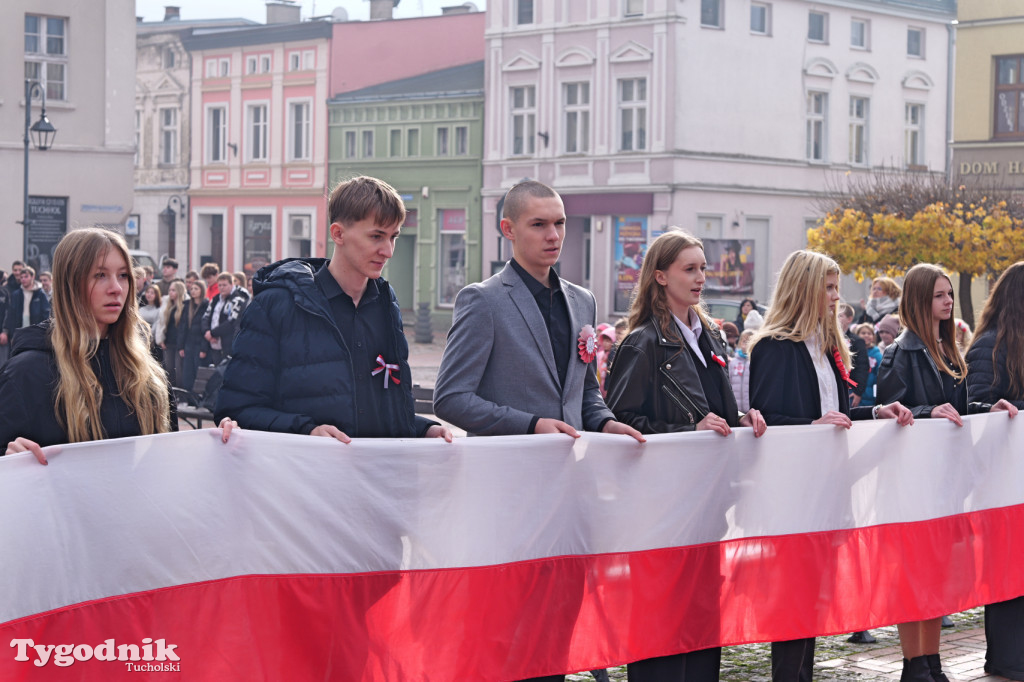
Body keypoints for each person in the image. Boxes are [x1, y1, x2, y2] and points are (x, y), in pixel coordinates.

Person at [433, 180, 642, 682]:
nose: (554, 235)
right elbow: (452, 398)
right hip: (509, 494)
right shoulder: (482, 300)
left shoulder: (582, 301)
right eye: (539, 224)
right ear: (508, 229)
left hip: (569, 492)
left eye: (560, 223)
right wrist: (529, 425)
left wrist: (608, 421)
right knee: (513, 632)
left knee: (560, 627)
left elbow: (583, 390)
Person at [603, 230, 766, 682]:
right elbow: (619, 424)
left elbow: (716, 409)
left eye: (702, 268)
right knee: (660, 625)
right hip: (660, 507)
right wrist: (686, 430)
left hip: (707, 499)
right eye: (689, 269)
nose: (700, 279)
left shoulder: (710, 334)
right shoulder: (640, 343)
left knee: (700, 622)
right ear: (660, 276)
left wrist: (742, 417)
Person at [748, 249, 914, 682]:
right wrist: (811, 425)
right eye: (828, 287)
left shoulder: (827, 346)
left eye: (837, 287)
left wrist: (875, 411)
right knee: (793, 599)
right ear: (804, 289)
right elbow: (763, 419)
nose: (837, 297)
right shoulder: (773, 346)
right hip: (792, 492)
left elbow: (835, 414)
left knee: (814, 597)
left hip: (828, 487)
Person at [215, 175, 450, 443]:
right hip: (304, 477)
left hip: (376, 478)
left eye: (393, 237)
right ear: (338, 233)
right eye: (376, 236)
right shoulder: (276, 303)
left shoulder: (386, 302)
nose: (388, 250)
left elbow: (380, 404)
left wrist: (422, 429)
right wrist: (308, 431)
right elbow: (237, 410)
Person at [877, 263, 1016, 682]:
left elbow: (955, 408)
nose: (948, 302)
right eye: (940, 295)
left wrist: (984, 410)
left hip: (943, 482)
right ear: (920, 300)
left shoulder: (948, 350)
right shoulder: (897, 354)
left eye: (950, 294)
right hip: (912, 482)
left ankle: (932, 661)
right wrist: (926, 413)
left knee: (937, 572)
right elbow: (890, 414)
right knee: (912, 574)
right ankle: (912, 663)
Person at [0, 228, 237, 465]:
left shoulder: (146, 364)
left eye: (123, 275)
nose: (116, 288)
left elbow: (168, 455)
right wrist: (9, 457)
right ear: (70, 284)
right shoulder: (27, 373)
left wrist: (223, 441)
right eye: (100, 275)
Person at [963, 262, 1024, 680]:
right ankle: (1005, 659)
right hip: (1003, 482)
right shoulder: (988, 346)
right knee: (1006, 574)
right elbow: (977, 406)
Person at [202, 273, 248, 366]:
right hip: (213, 344)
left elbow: (231, 321)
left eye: (224, 285)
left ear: (231, 285)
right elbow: (206, 317)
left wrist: (212, 333)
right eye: (220, 285)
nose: (222, 287)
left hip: (227, 344)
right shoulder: (215, 299)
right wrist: (207, 332)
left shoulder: (238, 299)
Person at [2, 265, 51, 345]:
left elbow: (46, 314)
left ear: (32, 277)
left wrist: (43, 332)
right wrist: (7, 332)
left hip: (35, 333)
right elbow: (10, 315)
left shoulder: (40, 294)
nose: (23, 279)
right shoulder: (16, 295)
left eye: (26, 276)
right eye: (21, 277)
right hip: (19, 333)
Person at [156, 280, 187, 387]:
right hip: (168, 341)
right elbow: (162, 324)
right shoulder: (167, 305)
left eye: (173, 290)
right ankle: (171, 391)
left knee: (179, 369)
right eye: (169, 290)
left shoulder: (185, 306)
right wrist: (161, 339)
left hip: (179, 343)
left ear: (179, 291)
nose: (170, 292)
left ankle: (180, 392)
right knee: (168, 368)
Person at [838, 303, 870, 407]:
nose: (836, 318)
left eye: (840, 315)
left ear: (849, 319)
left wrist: (858, 391)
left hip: (849, 389)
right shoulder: (826, 338)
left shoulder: (857, 341)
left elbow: (862, 367)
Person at [855, 323, 883, 408]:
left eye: (869, 333)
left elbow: (881, 373)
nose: (866, 335)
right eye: (863, 333)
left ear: (873, 337)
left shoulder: (877, 354)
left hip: (871, 395)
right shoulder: (854, 352)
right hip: (855, 393)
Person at [730, 329, 755, 413]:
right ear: (740, 343)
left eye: (750, 341)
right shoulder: (733, 363)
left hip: (751, 408)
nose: (747, 344)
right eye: (745, 341)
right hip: (736, 408)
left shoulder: (755, 362)